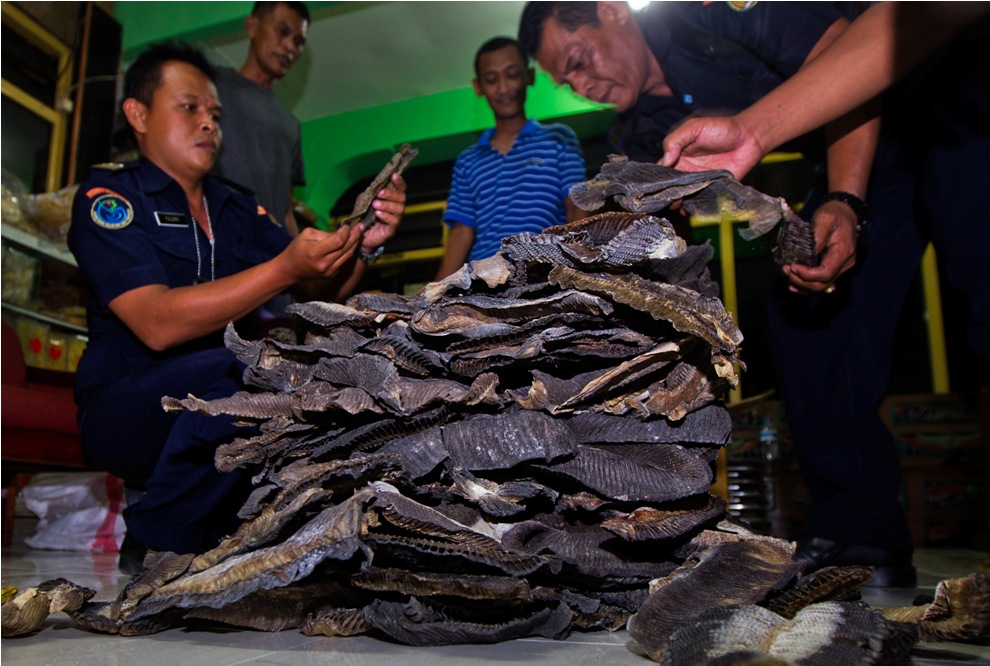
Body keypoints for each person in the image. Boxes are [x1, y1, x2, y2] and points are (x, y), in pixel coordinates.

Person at [519, 1, 921, 586]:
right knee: (807, 322)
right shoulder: (639, 132)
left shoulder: (708, 11)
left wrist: (847, 199)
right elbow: (649, 231)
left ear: (613, 10)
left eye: (578, 61)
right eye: (567, 81)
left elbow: (854, 54)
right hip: (843, 169)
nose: (582, 86)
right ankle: (863, 534)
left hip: (926, 112)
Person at [67, 41, 406, 569]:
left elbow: (320, 292)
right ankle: (159, 541)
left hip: (216, 400)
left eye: (215, 113)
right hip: (128, 405)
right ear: (138, 114)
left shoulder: (237, 206)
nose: (209, 123)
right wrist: (282, 269)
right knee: (248, 367)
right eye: (189, 108)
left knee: (308, 368)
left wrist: (364, 243)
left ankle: (229, 522)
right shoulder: (112, 199)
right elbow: (156, 323)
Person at [435, 36, 588, 280]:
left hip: (544, 273)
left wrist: (580, 269)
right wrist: (431, 295)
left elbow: (577, 206)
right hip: (482, 282)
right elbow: (461, 233)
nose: (504, 88)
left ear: (530, 76)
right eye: (492, 80)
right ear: (478, 87)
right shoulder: (468, 160)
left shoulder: (559, 138)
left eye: (513, 74)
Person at [212, 1, 309, 236]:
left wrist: (298, 262)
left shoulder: (291, 126)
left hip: (268, 259)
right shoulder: (210, 84)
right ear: (252, 26)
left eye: (298, 42)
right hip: (214, 247)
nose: (289, 46)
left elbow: (285, 211)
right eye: (282, 31)